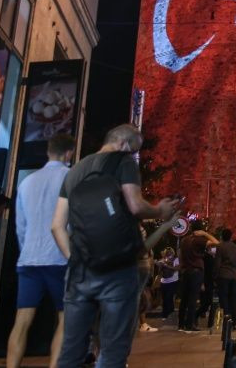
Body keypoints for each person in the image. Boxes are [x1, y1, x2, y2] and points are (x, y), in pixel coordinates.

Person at [50, 124, 181, 368]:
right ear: (123, 144)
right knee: (112, 350)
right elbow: (135, 206)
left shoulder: (75, 171)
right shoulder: (124, 162)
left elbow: (57, 226)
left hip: (80, 271)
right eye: (133, 150)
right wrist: (159, 211)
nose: (132, 155)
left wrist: (74, 259)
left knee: (71, 351)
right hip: (118, 269)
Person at [7, 133, 74, 368]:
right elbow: (74, 222)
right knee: (65, 319)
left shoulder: (27, 182)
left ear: (48, 151)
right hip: (60, 258)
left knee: (22, 320)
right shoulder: (71, 178)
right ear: (69, 153)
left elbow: (20, 226)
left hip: (29, 259)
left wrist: (26, 250)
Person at [177, 220, 220, 332]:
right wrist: (205, 234)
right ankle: (190, 325)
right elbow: (217, 243)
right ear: (200, 230)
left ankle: (180, 324)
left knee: (184, 299)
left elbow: (180, 255)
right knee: (193, 298)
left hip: (185, 271)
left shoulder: (184, 240)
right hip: (196, 271)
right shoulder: (199, 240)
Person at [215, 228, 236, 323]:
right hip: (233, 275)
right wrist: (235, 272)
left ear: (222, 236)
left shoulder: (220, 246)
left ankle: (226, 319)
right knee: (232, 298)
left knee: (223, 297)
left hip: (223, 275)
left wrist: (215, 275)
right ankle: (235, 322)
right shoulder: (235, 247)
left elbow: (217, 263)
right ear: (231, 236)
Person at [156, 247, 179, 320]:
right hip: (164, 281)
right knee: (164, 298)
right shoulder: (163, 259)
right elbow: (159, 271)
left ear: (172, 252)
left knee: (169, 297)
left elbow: (177, 268)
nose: (168, 253)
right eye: (167, 252)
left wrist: (167, 265)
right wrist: (159, 265)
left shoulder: (176, 259)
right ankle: (167, 312)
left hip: (172, 281)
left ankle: (166, 314)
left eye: (170, 252)